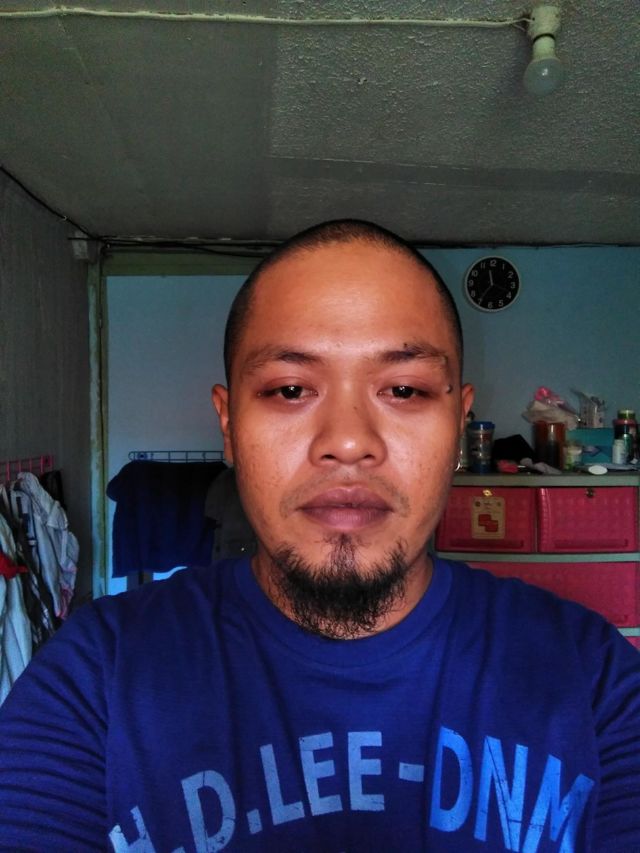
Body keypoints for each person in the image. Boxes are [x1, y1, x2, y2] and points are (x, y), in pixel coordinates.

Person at [0, 220, 638, 852]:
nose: (349, 441)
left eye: (404, 389)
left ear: (459, 425)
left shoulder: (595, 681)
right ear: (229, 425)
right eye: (289, 389)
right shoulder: (97, 675)